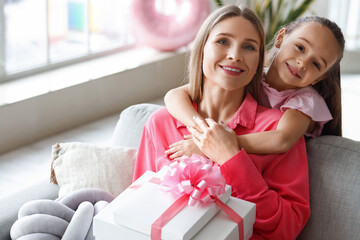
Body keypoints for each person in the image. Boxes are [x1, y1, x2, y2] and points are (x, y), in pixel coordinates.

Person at [133, 5, 310, 239]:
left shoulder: (276, 131)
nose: (235, 55)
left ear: (259, 61)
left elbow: (287, 227)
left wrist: (230, 157)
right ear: (202, 48)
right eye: (223, 41)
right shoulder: (161, 123)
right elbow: (139, 208)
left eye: (249, 47)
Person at [164, 15, 345, 156]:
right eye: (300, 47)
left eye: (316, 64)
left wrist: (215, 144)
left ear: (318, 78)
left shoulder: (305, 101)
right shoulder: (250, 74)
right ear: (280, 38)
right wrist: (201, 130)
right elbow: (173, 96)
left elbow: (282, 140)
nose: (302, 63)